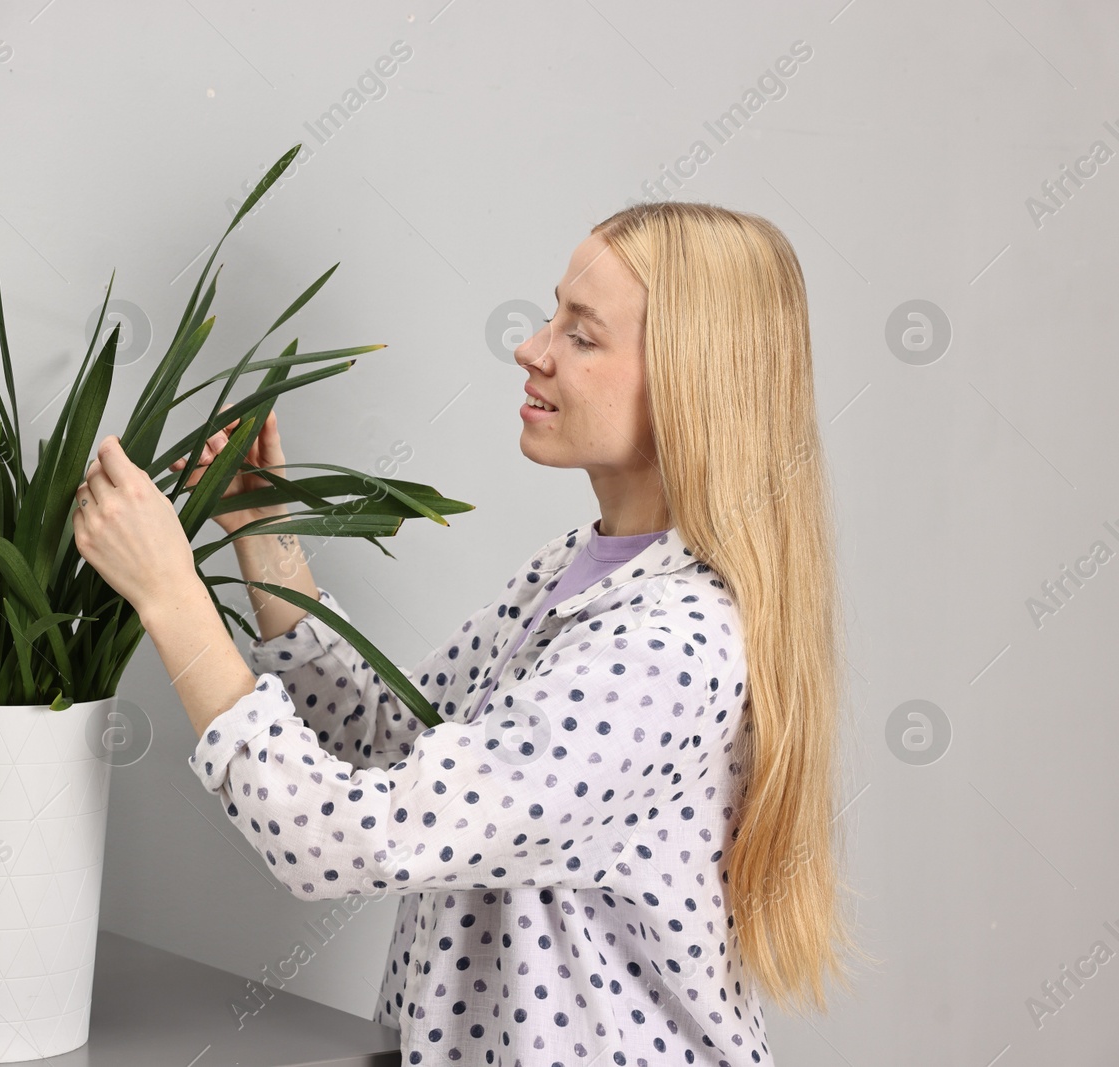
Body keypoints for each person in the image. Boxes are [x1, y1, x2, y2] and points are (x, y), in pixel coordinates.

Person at [71, 200, 860, 1065]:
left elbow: (342, 837)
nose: (533, 348)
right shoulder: (575, 572)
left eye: (583, 335)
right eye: (553, 313)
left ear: (690, 382)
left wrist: (172, 597)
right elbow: (384, 740)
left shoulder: (666, 648)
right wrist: (267, 537)